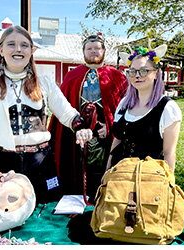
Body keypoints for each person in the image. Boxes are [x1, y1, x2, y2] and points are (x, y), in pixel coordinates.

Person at [0, 25, 92, 204]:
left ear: (32, 50)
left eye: (24, 45)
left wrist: (80, 127)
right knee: (7, 219)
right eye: (11, 44)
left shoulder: (45, 83)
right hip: (3, 166)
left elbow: (68, 114)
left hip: (42, 162)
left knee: (47, 216)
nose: (18, 49)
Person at [49, 34, 128, 201]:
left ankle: (103, 197)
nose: (93, 52)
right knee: (77, 167)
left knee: (103, 166)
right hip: (76, 133)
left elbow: (126, 108)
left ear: (104, 51)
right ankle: (76, 199)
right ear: (83, 51)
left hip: (106, 135)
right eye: (89, 48)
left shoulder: (116, 76)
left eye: (97, 48)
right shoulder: (73, 75)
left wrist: (111, 127)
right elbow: (61, 106)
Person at [107, 45, 182, 171]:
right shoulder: (124, 104)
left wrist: (168, 184)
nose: (137, 76)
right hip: (118, 178)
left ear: (156, 74)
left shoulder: (167, 108)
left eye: (144, 70)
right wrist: (107, 170)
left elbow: (169, 153)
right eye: (132, 71)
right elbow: (117, 141)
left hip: (149, 180)